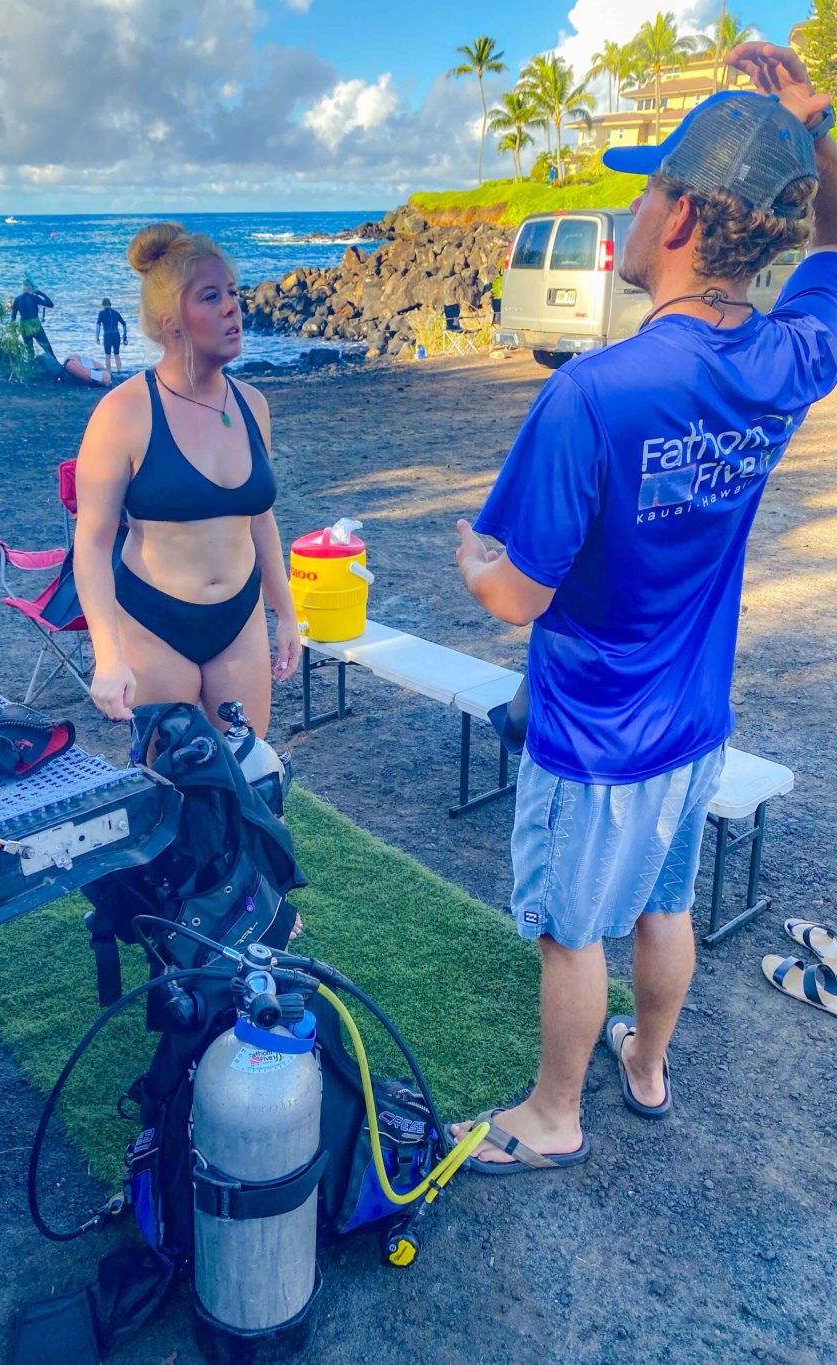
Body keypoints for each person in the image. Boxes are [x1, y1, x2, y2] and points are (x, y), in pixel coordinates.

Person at [449, 40, 837, 1171]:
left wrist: (473, 560)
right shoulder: (786, 358)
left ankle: (555, 1116)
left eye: (647, 182)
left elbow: (517, 598)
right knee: (664, 906)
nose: (628, 201)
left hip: (590, 728)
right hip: (689, 717)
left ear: (678, 219)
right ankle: (647, 1069)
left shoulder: (592, 392)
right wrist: (812, 122)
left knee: (573, 933)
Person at [72, 221, 300, 744]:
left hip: (239, 620)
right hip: (155, 623)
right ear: (171, 320)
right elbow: (92, 540)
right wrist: (107, 656)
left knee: (249, 777)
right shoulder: (123, 413)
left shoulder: (252, 405)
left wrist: (285, 613)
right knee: (177, 789)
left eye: (234, 293)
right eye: (211, 296)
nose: (232, 308)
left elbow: (258, 518)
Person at [11, 278, 55, 357]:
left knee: (30, 351)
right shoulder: (34, 298)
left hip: (24, 326)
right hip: (35, 325)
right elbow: (50, 304)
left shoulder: (17, 299)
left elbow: (13, 317)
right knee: (47, 349)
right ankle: (56, 366)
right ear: (31, 288)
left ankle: (31, 367)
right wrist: (41, 294)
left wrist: (13, 331)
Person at [96, 297, 128, 374]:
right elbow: (124, 324)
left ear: (103, 305)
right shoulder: (116, 313)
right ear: (110, 304)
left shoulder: (101, 313)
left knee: (108, 355)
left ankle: (108, 372)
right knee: (117, 354)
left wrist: (97, 336)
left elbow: (98, 326)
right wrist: (124, 336)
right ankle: (119, 371)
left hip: (107, 336)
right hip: (116, 335)